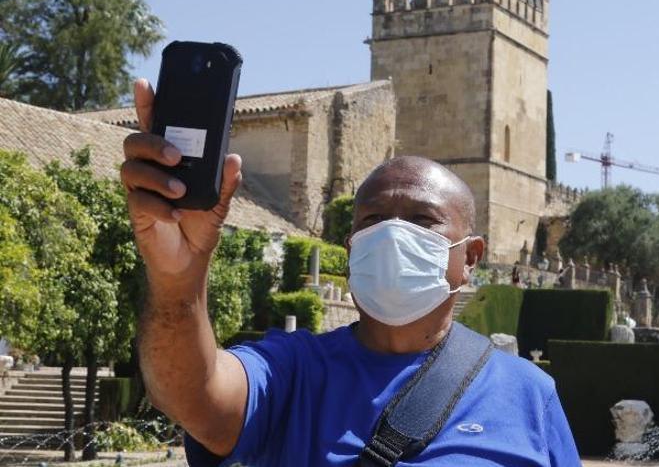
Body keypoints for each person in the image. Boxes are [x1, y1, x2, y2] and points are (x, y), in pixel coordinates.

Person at [122, 79, 579, 466]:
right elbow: (190, 397)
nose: (394, 235)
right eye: (372, 220)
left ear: (472, 256)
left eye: (422, 220)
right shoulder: (294, 372)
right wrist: (177, 277)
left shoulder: (529, 396)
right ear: (352, 248)